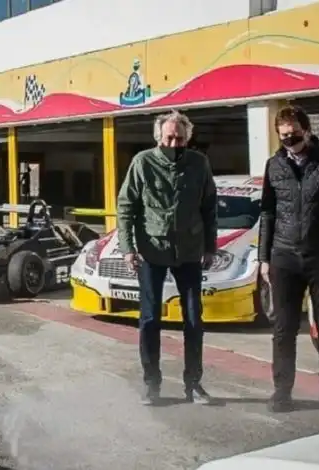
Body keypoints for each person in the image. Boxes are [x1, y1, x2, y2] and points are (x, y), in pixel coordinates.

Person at [117, 110, 218, 406]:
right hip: (152, 252)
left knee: (193, 319)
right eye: (169, 138)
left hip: (189, 253)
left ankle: (194, 383)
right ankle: (152, 383)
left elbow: (209, 207)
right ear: (158, 137)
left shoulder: (199, 164)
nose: (175, 143)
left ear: (188, 138)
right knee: (149, 319)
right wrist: (127, 248)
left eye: (180, 138)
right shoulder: (142, 163)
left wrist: (210, 247)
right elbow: (126, 207)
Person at [258, 105, 319, 417]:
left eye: (294, 134)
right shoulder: (273, 165)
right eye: (284, 136)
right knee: (283, 329)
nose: (290, 140)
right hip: (283, 257)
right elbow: (267, 213)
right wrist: (263, 258)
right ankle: (282, 391)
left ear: (307, 130)